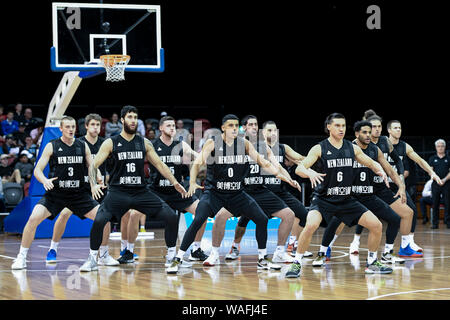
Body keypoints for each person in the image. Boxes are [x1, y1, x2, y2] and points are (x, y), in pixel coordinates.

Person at [167, 114, 291, 274]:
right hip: (214, 193)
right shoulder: (213, 143)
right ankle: (178, 258)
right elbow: (197, 163)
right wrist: (192, 182)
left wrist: (278, 173)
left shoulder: (244, 143)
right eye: (230, 125)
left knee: (261, 219)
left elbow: (263, 161)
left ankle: (262, 259)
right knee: (198, 219)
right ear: (223, 128)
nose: (234, 128)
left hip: (236, 193)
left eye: (236, 125)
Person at [80, 105, 186, 271]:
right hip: (117, 192)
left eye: (135, 118)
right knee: (99, 220)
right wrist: (93, 184)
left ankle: (171, 257)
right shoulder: (111, 142)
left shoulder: (144, 142)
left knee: (171, 217)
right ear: (122, 120)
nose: (133, 121)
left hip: (140, 192)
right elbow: (93, 165)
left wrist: (174, 182)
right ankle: (93, 258)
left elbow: (159, 164)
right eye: (129, 117)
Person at [285, 113, 392, 278]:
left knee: (376, 225)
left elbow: (369, 162)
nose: (341, 129)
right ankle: (296, 263)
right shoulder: (319, 148)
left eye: (343, 126)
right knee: (311, 225)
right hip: (324, 199)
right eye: (337, 126)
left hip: (346, 200)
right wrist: (311, 174)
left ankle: (372, 262)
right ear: (329, 127)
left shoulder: (352, 147)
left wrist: (380, 170)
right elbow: (300, 168)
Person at [11, 116, 113, 270]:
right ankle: (21, 257)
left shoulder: (82, 145)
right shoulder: (52, 145)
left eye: (73, 127)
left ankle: (101, 255)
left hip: (78, 194)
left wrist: (95, 181)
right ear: (61, 129)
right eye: (68, 127)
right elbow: (37, 170)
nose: (71, 129)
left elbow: (92, 167)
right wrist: (45, 180)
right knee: (33, 219)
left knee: (104, 218)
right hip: (56, 194)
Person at [206, 115, 300, 266]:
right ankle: (215, 253)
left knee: (289, 215)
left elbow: (277, 167)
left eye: (256, 125)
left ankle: (279, 253)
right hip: (241, 191)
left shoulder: (263, 147)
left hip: (260, 190)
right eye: (250, 125)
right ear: (243, 128)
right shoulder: (237, 145)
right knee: (220, 217)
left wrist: (289, 179)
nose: (254, 127)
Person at [311, 120, 408, 267]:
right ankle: (323, 252)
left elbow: (389, 169)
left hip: (368, 195)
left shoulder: (375, 150)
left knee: (394, 218)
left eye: (370, 132)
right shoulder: (348, 148)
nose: (368, 135)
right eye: (365, 132)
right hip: (350, 196)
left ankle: (387, 253)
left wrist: (401, 186)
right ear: (357, 134)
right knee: (336, 222)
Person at [131, 115, 210, 263]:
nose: (172, 128)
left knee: (202, 210)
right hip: (156, 190)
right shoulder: (152, 145)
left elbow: (198, 157)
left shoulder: (181, 145)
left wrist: (207, 153)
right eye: (168, 126)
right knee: (134, 214)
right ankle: (128, 250)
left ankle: (196, 249)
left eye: (173, 126)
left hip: (177, 191)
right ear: (161, 128)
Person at [43, 114, 118, 266]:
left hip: (98, 187)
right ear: (86, 127)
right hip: (80, 188)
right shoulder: (78, 143)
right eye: (93, 125)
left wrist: (104, 178)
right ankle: (53, 249)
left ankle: (103, 254)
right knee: (64, 214)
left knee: (106, 218)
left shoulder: (105, 144)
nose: (96, 128)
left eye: (98, 125)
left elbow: (105, 166)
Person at [349, 114, 419, 258]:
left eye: (379, 126)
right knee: (342, 220)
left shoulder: (384, 143)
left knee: (407, 212)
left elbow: (396, 162)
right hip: (361, 189)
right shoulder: (353, 146)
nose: (376, 130)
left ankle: (400, 248)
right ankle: (340, 245)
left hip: (381, 188)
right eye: (372, 127)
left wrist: (401, 184)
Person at [387, 120, 443, 244]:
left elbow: (419, 160)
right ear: (389, 130)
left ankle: (408, 242)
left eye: (400, 128)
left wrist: (431, 172)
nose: (398, 130)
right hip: (381, 186)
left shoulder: (404, 146)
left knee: (412, 210)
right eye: (395, 128)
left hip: (397, 186)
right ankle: (355, 241)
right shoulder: (382, 144)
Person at [427, 139, 450, 228]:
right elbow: (430, 171)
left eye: (442, 146)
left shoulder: (448, 158)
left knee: (448, 203)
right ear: (436, 147)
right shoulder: (432, 158)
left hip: (447, 184)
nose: (440, 148)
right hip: (436, 184)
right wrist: (437, 179)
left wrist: (444, 180)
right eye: (438, 146)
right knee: (435, 203)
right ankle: (435, 223)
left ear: (445, 147)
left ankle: (448, 222)